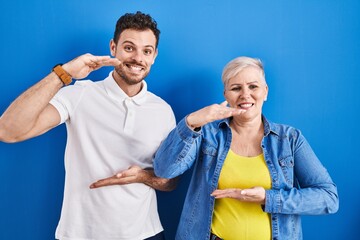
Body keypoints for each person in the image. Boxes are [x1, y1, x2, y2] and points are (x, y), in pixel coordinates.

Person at [0, 11, 177, 240]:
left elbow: (171, 182)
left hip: (146, 233)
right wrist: (64, 74)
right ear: (113, 47)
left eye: (147, 51)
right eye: (129, 48)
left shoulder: (163, 111)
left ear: (154, 56)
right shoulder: (79, 94)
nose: (138, 58)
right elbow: (8, 131)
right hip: (82, 234)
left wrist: (143, 176)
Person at [153, 56, 339, 240]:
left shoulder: (289, 139)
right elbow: (165, 170)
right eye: (236, 88)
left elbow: (328, 198)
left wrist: (268, 198)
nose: (245, 94)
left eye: (253, 86)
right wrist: (192, 122)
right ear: (226, 95)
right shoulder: (208, 134)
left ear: (265, 92)